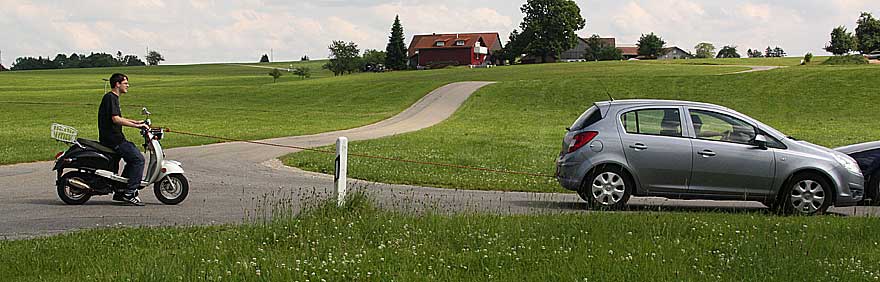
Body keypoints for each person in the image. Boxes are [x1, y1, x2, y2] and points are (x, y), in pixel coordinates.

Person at [99, 73, 149, 206]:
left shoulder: (112, 98)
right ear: (117, 84)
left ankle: (121, 190)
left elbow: (119, 117)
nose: (128, 85)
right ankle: (130, 193)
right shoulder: (110, 98)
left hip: (114, 138)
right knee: (138, 159)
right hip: (113, 139)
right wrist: (135, 126)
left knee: (132, 159)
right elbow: (115, 119)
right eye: (125, 83)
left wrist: (137, 122)